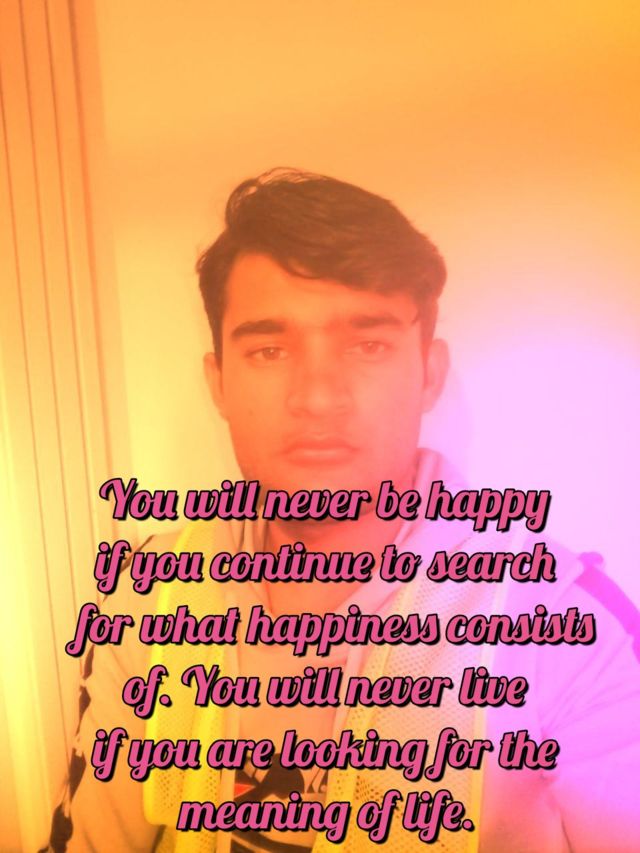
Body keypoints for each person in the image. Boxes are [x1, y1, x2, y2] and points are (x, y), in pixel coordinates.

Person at [44, 169, 640, 852]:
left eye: (368, 344)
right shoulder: (147, 594)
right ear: (219, 383)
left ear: (430, 374)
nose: (318, 397)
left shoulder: (571, 625)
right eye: (269, 350)